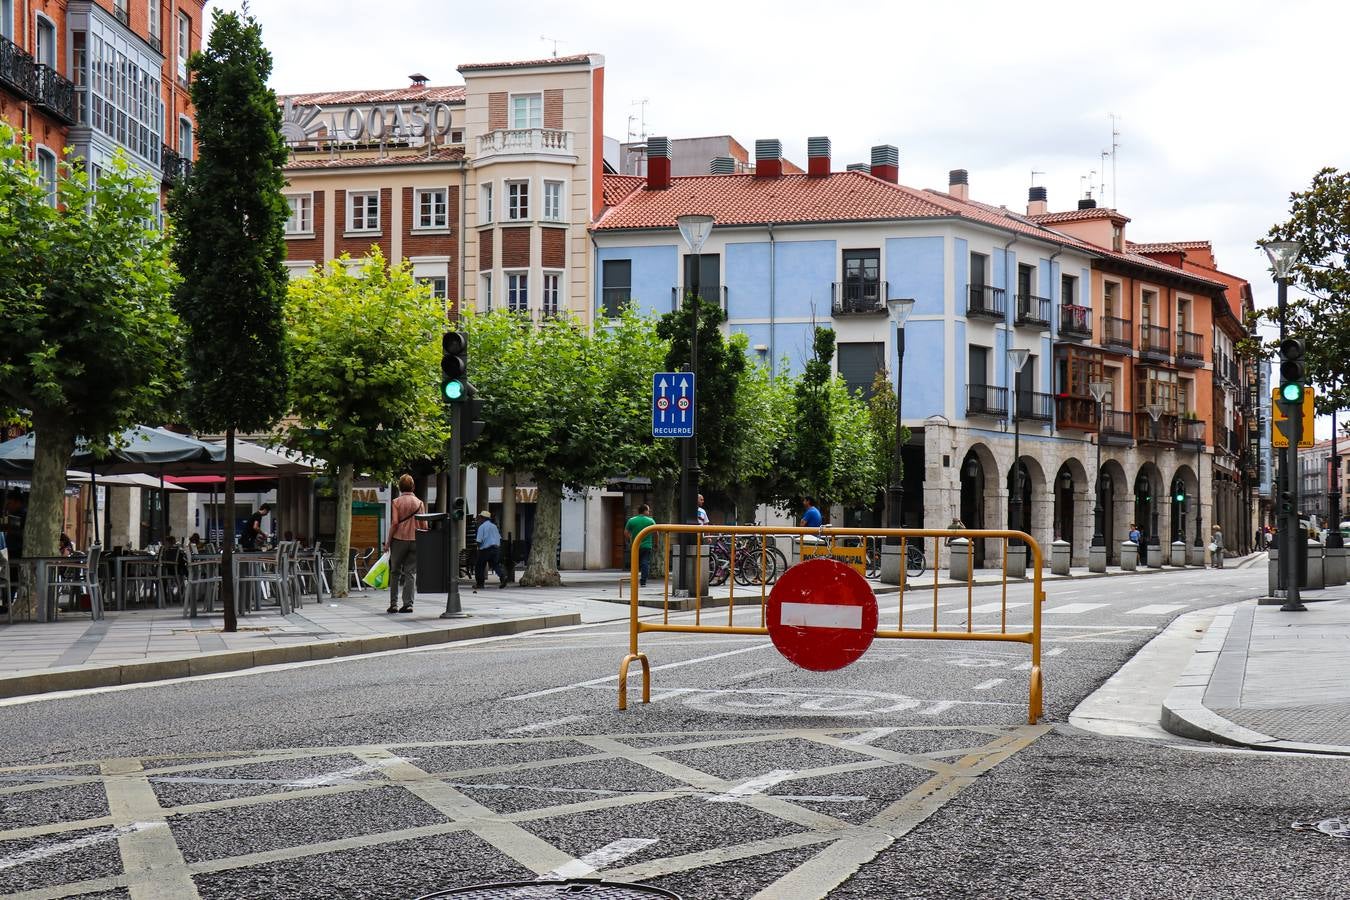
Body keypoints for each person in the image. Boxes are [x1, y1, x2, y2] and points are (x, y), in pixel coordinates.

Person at [383, 475, 426, 612]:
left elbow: (395, 523)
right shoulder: (419, 503)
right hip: (415, 540)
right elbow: (424, 525)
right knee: (410, 572)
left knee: (395, 572)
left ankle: (394, 604)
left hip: (399, 540)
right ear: (413, 487)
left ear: (399, 487)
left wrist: (388, 542)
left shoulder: (396, 502)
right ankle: (408, 604)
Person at [474, 510, 506, 590]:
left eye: (480, 517)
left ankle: (480, 584)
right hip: (496, 548)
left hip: (485, 549)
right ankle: (502, 577)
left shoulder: (482, 527)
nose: (479, 519)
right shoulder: (494, 526)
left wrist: (479, 549)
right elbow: (499, 538)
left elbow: (479, 541)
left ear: (483, 518)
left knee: (479, 566)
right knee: (495, 565)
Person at [625, 503, 656, 588]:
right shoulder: (651, 521)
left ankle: (634, 580)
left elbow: (626, 533)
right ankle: (643, 582)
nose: (649, 512)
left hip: (635, 545)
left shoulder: (631, 520)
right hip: (647, 546)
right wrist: (656, 543)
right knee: (645, 563)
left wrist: (630, 540)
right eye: (648, 510)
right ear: (645, 511)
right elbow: (656, 533)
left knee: (635, 563)